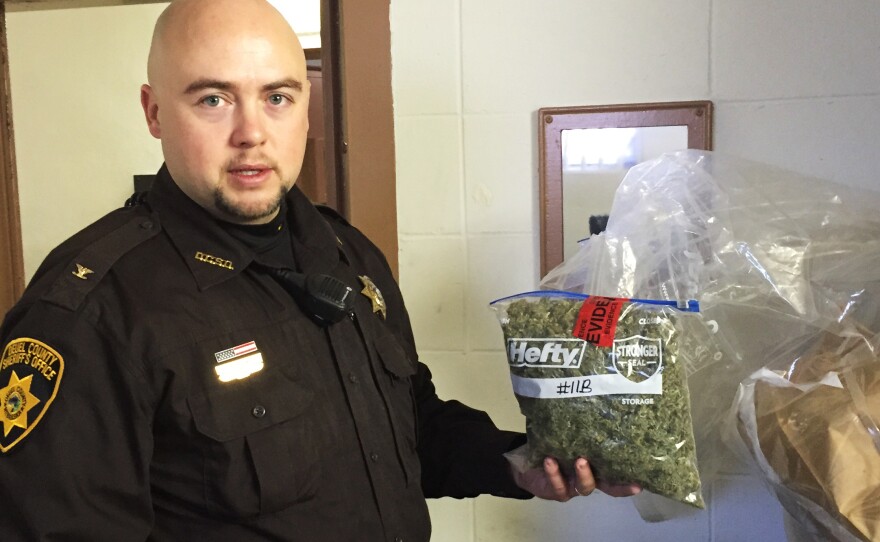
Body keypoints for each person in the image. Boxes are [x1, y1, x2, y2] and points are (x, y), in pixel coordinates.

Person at [0, 0, 638, 539]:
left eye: (277, 96)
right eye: (214, 99)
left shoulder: (346, 253)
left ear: (305, 105)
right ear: (155, 112)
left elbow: (409, 424)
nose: (252, 132)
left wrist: (517, 464)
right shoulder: (88, 312)